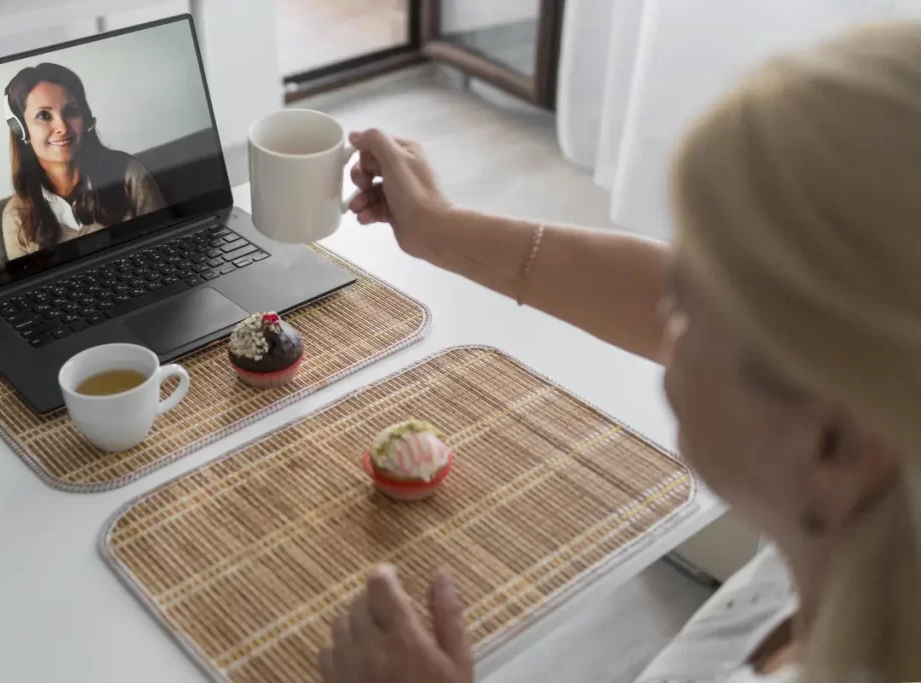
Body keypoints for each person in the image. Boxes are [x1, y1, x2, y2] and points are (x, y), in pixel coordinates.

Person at [319, 21, 921, 683]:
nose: (663, 305)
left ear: (835, 443)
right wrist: (441, 230)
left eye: (695, 300)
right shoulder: (877, 509)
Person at [1, 63, 166, 260]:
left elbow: (165, 250)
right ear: (22, 130)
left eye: (71, 111)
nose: (62, 127)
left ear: (85, 118)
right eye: (43, 115)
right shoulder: (16, 217)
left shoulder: (130, 177)